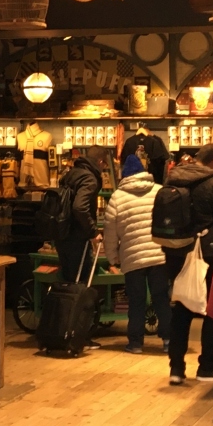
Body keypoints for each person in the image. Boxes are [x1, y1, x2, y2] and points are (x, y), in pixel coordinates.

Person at [155, 145, 213, 384]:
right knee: (211, 308)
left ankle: (176, 368)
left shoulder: (173, 178)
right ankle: (206, 366)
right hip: (204, 253)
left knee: (181, 308)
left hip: (175, 251)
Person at [102, 153, 172, 354]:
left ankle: (135, 343)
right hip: (159, 253)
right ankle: (168, 340)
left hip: (132, 256)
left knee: (136, 300)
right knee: (161, 297)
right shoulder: (158, 191)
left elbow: (110, 231)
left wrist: (112, 257)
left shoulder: (117, 197)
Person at [54, 146, 110, 283]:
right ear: (100, 162)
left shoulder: (72, 173)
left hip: (62, 233)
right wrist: (93, 231)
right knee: (80, 280)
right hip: (77, 237)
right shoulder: (90, 178)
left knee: (68, 279)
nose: (104, 168)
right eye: (105, 164)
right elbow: (79, 207)